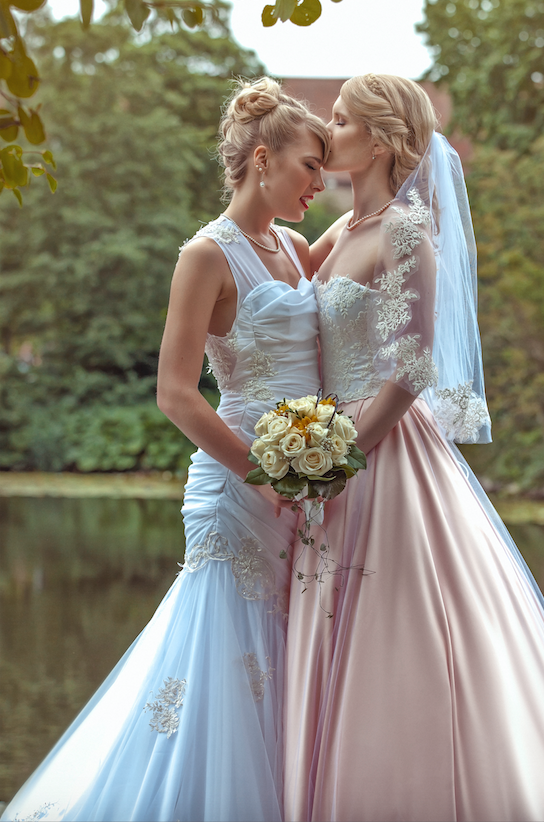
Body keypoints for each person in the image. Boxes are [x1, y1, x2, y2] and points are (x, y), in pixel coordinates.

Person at [283, 73, 544, 822]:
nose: (325, 129)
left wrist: (341, 458)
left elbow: (410, 370)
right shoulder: (338, 233)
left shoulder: (408, 232)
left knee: (393, 631)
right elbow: (281, 301)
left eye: (338, 120)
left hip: (380, 452)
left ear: (376, 138)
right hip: (324, 447)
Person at [2, 77, 329, 822]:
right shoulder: (204, 255)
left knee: (283, 669)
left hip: (303, 491)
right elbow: (176, 394)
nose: (320, 180)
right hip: (238, 489)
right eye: (310, 164)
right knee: (218, 671)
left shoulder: (298, 247)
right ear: (260, 159)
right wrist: (261, 473)